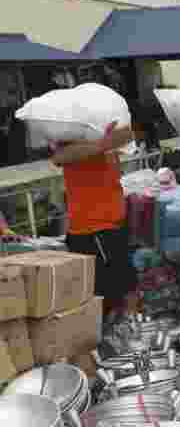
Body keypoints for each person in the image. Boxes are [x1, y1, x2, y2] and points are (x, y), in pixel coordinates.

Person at [51, 121, 141, 320]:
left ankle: (131, 328)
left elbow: (129, 136)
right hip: (92, 228)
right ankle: (111, 334)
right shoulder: (69, 138)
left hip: (111, 223)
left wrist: (116, 138)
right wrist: (104, 143)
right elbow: (59, 158)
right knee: (105, 292)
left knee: (125, 284)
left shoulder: (106, 131)